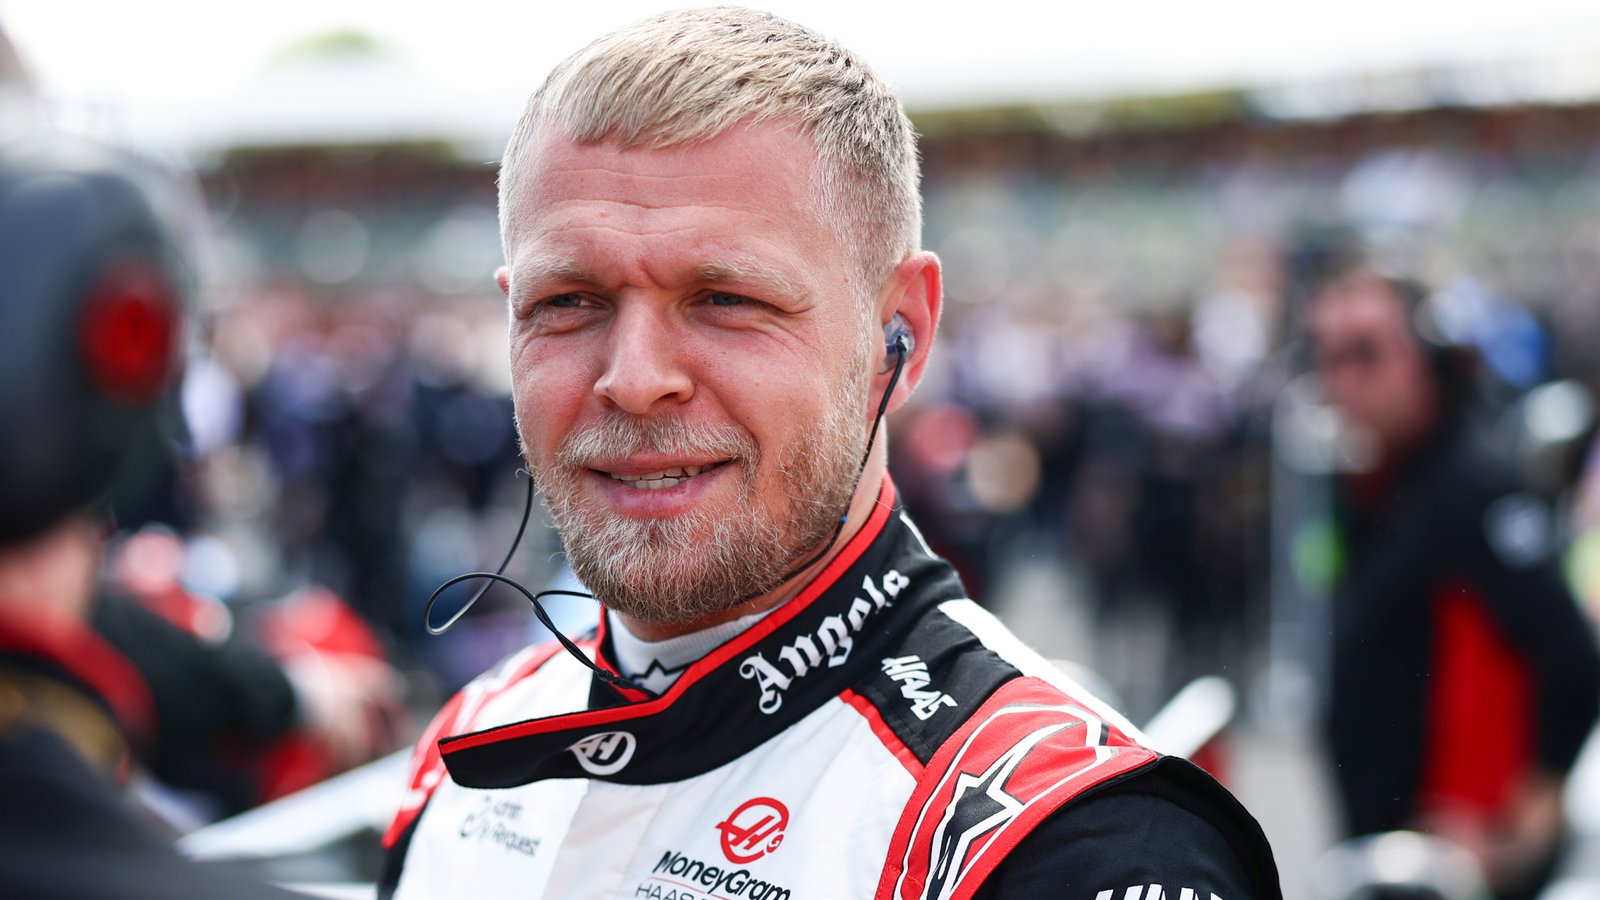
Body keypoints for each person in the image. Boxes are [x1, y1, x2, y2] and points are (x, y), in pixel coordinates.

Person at [381, 9, 1280, 899]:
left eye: (727, 298)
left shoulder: (1077, 848)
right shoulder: (470, 747)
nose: (635, 378)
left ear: (903, 331)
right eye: (569, 301)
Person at [1305, 269, 1600, 900]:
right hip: (1382, 840)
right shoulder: (1377, 483)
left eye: (1366, 353)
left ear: (1429, 357)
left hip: (1447, 863)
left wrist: (1529, 804)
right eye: (1326, 356)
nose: (1343, 380)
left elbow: (1569, 653)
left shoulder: (1472, 483)